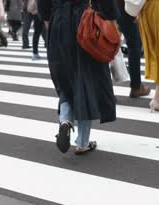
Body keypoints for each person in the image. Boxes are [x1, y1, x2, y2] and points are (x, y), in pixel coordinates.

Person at [38, 0, 117, 155]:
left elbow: (43, 7)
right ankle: (82, 142)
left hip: (58, 23)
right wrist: (111, 16)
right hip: (85, 22)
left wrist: (50, 16)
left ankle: (65, 121)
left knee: (65, 80)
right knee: (86, 81)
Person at [115, 0, 150, 98]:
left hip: (112, 6)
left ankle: (136, 85)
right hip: (124, 8)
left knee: (109, 45)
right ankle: (136, 86)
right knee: (134, 46)